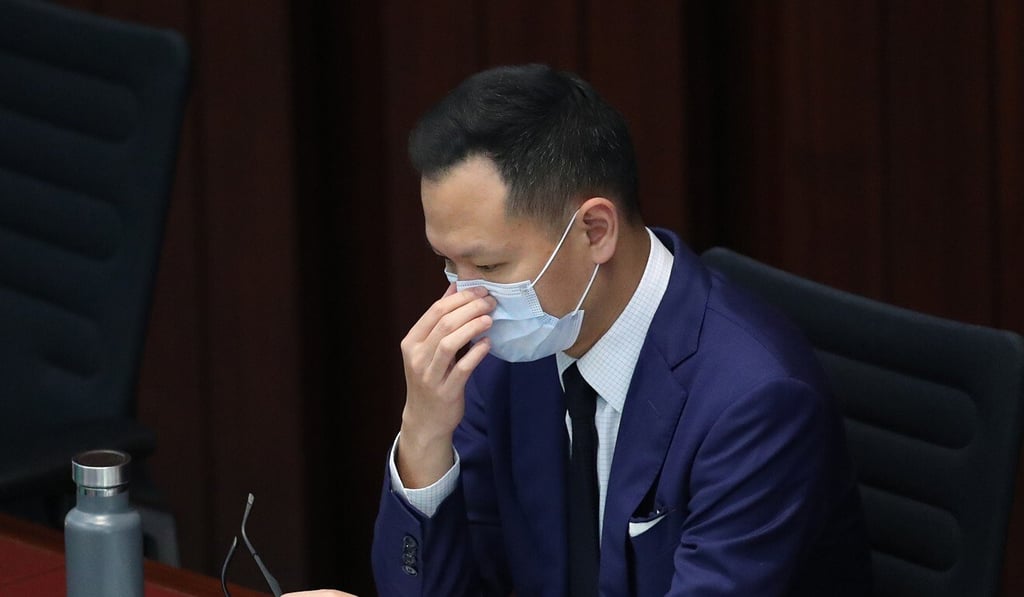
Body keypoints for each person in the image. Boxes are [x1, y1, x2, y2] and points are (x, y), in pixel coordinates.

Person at [365, 63, 872, 596]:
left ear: (595, 231)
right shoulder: (505, 351)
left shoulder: (755, 403)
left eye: (489, 268)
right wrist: (423, 434)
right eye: (448, 263)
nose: (464, 299)